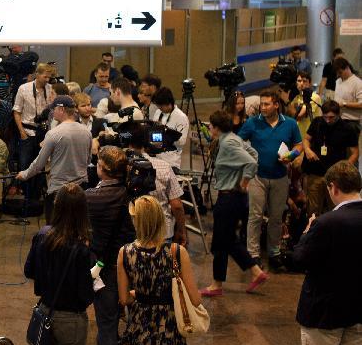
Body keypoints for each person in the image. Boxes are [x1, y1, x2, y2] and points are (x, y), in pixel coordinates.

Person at [118, 196, 201, 345]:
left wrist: (139, 295)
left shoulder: (125, 253)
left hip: (140, 326)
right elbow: (196, 299)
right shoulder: (176, 252)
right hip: (170, 326)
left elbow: (124, 299)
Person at [293, 161, 362, 345]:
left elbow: (300, 259)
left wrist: (306, 232)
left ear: (332, 188)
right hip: (357, 310)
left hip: (323, 313)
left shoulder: (326, 222)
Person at [24, 184, 95, 345]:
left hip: (46, 310)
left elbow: (29, 271)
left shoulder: (42, 235)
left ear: (57, 206)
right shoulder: (81, 249)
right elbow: (86, 294)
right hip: (71, 320)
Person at [82, 146, 135, 345]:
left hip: (104, 268)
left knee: (106, 325)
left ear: (103, 169)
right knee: (115, 320)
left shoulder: (91, 196)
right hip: (128, 264)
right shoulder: (128, 194)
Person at [201, 111, 269, 297]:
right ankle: (255, 272)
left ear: (216, 127)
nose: (209, 128)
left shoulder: (228, 142)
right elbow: (253, 153)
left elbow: (251, 163)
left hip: (229, 197)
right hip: (235, 198)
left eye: (211, 125)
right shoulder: (233, 138)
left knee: (221, 242)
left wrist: (245, 180)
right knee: (227, 240)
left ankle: (217, 285)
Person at [239, 88, 303, 265]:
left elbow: (298, 145)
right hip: (257, 177)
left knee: (276, 217)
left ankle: (274, 252)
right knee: (255, 216)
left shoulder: (290, 124)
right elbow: (238, 142)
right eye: (261, 104)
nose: (263, 108)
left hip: (280, 177)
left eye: (267, 104)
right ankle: (253, 254)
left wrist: (291, 156)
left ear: (276, 105)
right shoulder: (252, 123)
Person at [17, 96, 92, 221]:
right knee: (76, 226)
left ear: (61, 109)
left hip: (59, 191)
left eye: (54, 109)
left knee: (55, 230)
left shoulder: (53, 134)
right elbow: (88, 161)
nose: (52, 112)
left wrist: (24, 174)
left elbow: (39, 164)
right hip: (80, 189)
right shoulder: (86, 132)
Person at [118, 120, 187, 245]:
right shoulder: (164, 167)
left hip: (131, 234)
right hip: (163, 234)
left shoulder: (118, 167)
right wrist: (181, 230)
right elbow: (176, 205)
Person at [302, 101, 359, 216]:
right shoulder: (317, 122)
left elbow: (355, 153)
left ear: (339, 114)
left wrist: (343, 169)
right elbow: (306, 139)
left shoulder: (348, 128)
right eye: (325, 117)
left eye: (331, 117)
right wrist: (308, 150)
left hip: (335, 177)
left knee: (335, 209)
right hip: (315, 173)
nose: (328, 120)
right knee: (313, 210)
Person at [13, 63, 55, 202]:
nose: (47, 80)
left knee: (41, 164)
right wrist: (22, 133)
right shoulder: (23, 89)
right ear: (37, 74)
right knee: (25, 164)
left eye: (49, 77)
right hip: (27, 130)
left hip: (44, 131)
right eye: (45, 76)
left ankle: (36, 197)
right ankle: (27, 197)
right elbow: (17, 111)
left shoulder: (50, 89)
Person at [151, 88, 190, 169]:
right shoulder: (158, 112)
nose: (159, 108)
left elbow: (181, 142)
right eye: (158, 106)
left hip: (171, 161)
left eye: (161, 106)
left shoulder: (181, 117)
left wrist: (165, 133)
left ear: (168, 103)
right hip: (156, 157)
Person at [287, 70, 323, 137]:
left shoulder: (314, 97)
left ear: (309, 83)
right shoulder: (296, 98)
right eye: (299, 81)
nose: (301, 83)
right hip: (299, 135)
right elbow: (289, 114)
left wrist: (287, 101)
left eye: (304, 81)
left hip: (310, 136)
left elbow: (299, 116)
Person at [333, 58, 362, 136]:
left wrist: (344, 104)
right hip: (338, 120)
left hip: (352, 122)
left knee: (352, 148)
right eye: (337, 73)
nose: (339, 75)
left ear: (347, 67)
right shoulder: (338, 81)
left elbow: (361, 104)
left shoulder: (358, 83)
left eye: (340, 72)